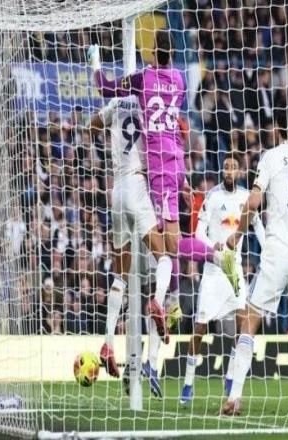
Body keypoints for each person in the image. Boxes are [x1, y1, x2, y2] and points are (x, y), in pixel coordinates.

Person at [88, 29, 236, 334]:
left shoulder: (142, 78)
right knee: (168, 245)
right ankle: (171, 299)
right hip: (176, 162)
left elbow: (105, 87)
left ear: (154, 52)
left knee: (171, 245)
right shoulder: (179, 80)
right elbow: (172, 121)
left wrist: (95, 62)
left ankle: (214, 260)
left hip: (158, 169)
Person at [219, 125, 288, 415]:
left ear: (278, 128)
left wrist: (237, 235)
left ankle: (234, 398)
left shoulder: (271, 156)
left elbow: (253, 201)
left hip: (277, 252)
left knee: (250, 321)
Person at [89, 96, 172, 398]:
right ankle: (158, 303)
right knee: (164, 257)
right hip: (138, 186)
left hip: (117, 190)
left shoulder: (115, 103)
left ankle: (108, 342)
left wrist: (107, 125)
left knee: (120, 276)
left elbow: (92, 126)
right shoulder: (149, 102)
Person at [179, 153, 265, 405]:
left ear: (239, 172)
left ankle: (230, 378)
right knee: (200, 327)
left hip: (235, 270)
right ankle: (188, 383)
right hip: (214, 269)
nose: (228, 171)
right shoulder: (212, 196)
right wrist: (211, 245)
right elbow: (198, 232)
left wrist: (268, 251)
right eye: (225, 167)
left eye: (233, 167)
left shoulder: (246, 198)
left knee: (241, 326)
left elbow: (258, 227)